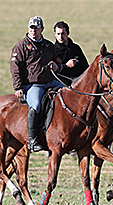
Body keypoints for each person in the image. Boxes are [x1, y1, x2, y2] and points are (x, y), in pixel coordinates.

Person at [10, 16, 75, 153]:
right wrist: (18, 87)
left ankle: (71, 136)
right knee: (37, 106)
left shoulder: (48, 45)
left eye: (36, 28)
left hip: (51, 82)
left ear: (42, 29)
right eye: (31, 28)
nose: (33, 30)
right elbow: (15, 68)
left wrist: (59, 66)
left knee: (70, 95)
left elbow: (57, 62)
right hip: (33, 85)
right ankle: (33, 140)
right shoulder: (21, 46)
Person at [53, 21, 89, 85]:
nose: (60, 37)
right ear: (55, 34)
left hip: (79, 83)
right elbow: (54, 71)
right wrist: (66, 66)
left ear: (68, 33)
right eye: (58, 34)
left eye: (63, 33)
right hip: (61, 84)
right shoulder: (53, 50)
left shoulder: (76, 48)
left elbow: (85, 67)